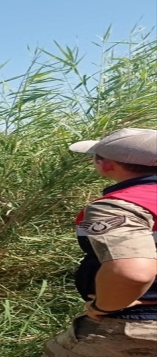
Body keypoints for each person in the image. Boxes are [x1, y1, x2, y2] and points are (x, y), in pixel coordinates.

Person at [43, 128, 157, 357]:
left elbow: (132, 273)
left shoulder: (117, 206)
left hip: (137, 325)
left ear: (105, 164)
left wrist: (103, 307)